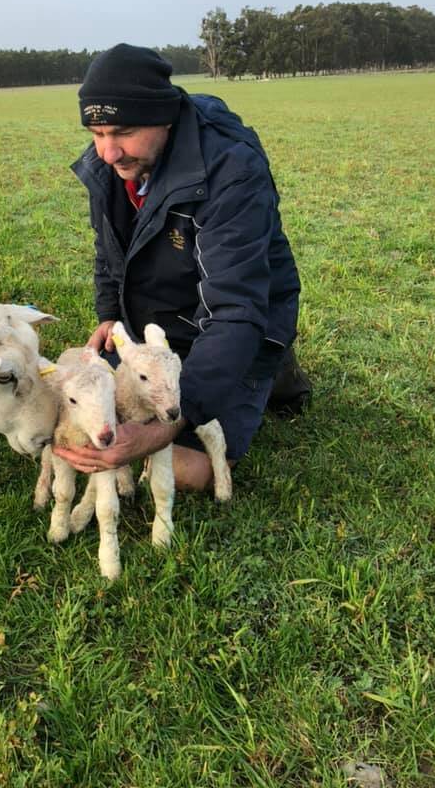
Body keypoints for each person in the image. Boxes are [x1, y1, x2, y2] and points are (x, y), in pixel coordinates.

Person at [54, 43, 311, 491]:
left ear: (164, 118)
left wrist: (163, 428)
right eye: (97, 133)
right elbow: (108, 249)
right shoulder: (110, 164)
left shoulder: (231, 171)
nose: (108, 152)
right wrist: (110, 315)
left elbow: (233, 308)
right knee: (89, 416)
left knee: (185, 470)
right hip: (159, 326)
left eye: (123, 132)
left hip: (233, 320)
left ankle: (267, 365)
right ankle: (231, 371)